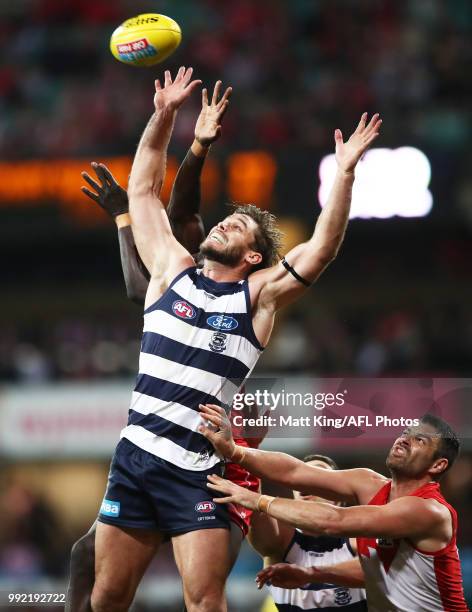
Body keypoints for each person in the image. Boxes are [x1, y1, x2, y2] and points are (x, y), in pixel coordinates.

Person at [91, 65, 381, 612]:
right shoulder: (170, 269)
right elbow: (143, 190)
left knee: (204, 601)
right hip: (133, 456)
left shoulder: (258, 298)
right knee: (107, 597)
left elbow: (321, 248)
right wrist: (164, 113)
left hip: (196, 469)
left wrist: (343, 175)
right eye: (227, 220)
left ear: (253, 257)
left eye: (240, 228)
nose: (224, 224)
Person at [66, 80, 262, 612]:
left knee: (200, 588)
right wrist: (191, 145)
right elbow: (167, 213)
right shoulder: (183, 266)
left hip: (204, 437)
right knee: (90, 560)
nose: (210, 228)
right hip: (150, 442)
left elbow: (174, 218)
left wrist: (194, 151)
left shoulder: (217, 277)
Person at [200, 407, 468, 611]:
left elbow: (333, 520)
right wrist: (236, 451)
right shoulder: (369, 484)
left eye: (420, 440)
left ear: (438, 466)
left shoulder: (428, 511)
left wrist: (256, 500)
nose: (405, 439)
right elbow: (294, 471)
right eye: (405, 433)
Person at [248, 453, 366, 611]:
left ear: (337, 497)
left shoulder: (360, 538)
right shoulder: (281, 542)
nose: (308, 479)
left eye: (319, 473)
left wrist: (310, 574)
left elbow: (374, 570)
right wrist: (246, 454)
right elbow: (256, 512)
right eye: (302, 474)